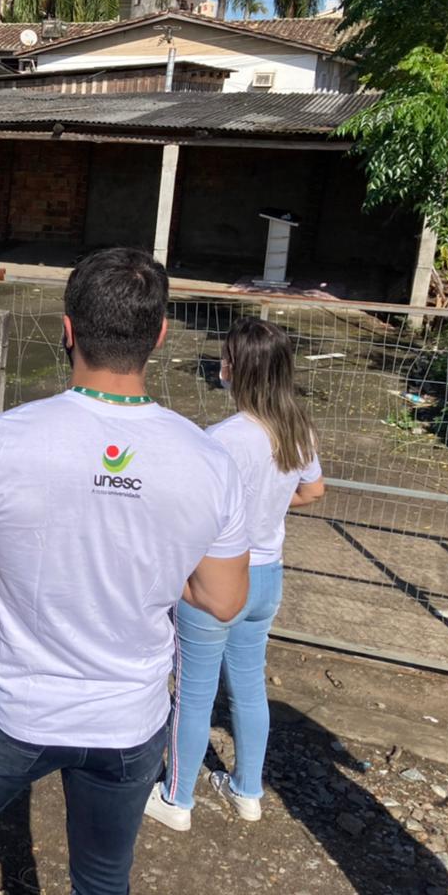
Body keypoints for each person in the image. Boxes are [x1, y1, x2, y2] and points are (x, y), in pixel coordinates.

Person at [0, 248, 250, 895]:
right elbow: (224, 599)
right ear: (159, 336)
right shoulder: (210, 461)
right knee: (103, 883)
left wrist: (26, 569)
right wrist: (151, 571)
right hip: (130, 718)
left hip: (14, 709)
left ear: (67, 330)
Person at [145, 316, 325, 832]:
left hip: (217, 579)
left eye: (225, 359)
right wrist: (269, 505)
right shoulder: (298, 429)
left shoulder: (220, 439)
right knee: (248, 687)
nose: (220, 367)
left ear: (236, 369)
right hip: (268, 576)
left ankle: (178, 798)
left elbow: (189, 510)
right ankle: (247, 791)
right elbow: (313, 491)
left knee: (193, 692)